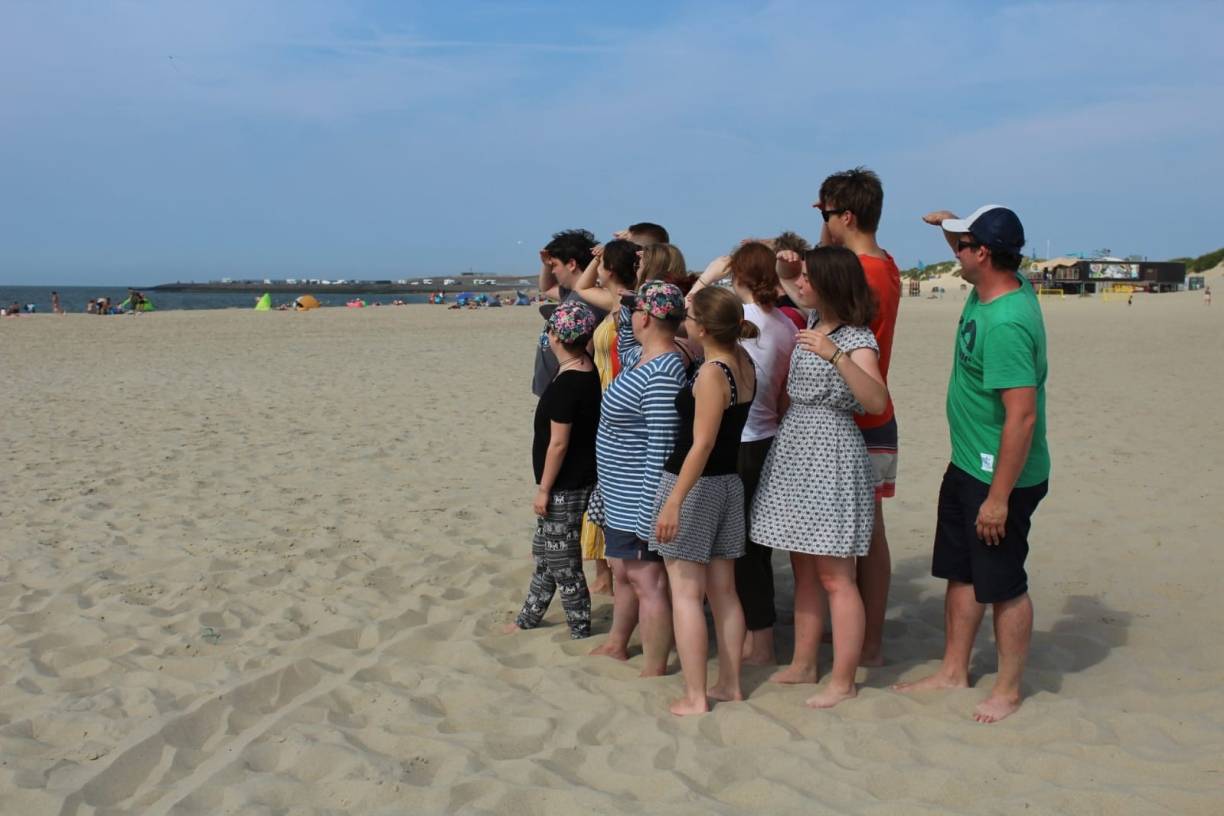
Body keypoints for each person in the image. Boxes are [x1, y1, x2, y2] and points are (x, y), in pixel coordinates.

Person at [895, 205, 1050, 725]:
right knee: (961, 574)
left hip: (999, 476)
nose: (955, 252)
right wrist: (950, 227)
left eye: (962, 245)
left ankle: (1007, 689)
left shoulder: (1006, 322)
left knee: (1003, 584)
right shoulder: (995, 282)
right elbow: (972, 253)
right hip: (967, 463)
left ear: (983, 253)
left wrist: (999, 499)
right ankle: (953, 671)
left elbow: (1022, 417)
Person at [752, 247, 889, 708]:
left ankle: (843, 681)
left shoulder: (856, 338)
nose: (801, 283)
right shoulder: (816, 321)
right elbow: (784, 281)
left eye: (809, 277)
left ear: (830, 283)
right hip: (797, 450)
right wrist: (784, 265)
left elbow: (876, 401)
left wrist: (837, 357)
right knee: (804, 568)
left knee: (836, 575)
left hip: (830, 453)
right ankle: (804, 664)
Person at [689, 241, 798, 665]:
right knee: (757, 547)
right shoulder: (786, 324)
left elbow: (685, 320)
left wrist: (705, 279)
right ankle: (759, 636)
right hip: (768, 436)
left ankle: (759, 640)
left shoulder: (742, 318)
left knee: (738, 550)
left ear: (739, 275)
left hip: (741, 440)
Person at [649, 286, 757, 715]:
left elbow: (702, 443)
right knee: (724, 591)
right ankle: (729, 684)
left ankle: (696, 695)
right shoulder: (743, 360)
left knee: (687, 593)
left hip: (698, 485)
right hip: (727, 482)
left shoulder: (714, 371)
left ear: (705, 329)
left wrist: (674, 500)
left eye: (690, 318)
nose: (684, 322)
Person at [811, 166, 902, 667]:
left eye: (827, 213)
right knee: (865, 532)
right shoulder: (884, 262)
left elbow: (819, 281)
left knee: (867, 534)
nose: (823, 222)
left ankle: (869, 640)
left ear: (846, 216)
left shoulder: (862, 273)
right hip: (869, 415)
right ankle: (864, 633)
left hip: (859, 418)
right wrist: (827, 219)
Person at [589, 281, 688, 677]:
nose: (630, 316)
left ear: (647, 318)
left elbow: (661, 449)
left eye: (636, 310)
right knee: (623, 573)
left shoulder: (663, 372)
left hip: (638, 500)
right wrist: (627, 303)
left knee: (648, 583)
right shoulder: (641, 358)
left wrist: (650, 514)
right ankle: (617, 644)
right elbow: (626, 340)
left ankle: (654, 666)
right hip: (619, 495)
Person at [506, 302, 602, 639]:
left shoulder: (569, 383)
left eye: (549, 328)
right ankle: (528, 617)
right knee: (547, 554)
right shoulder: (584, 367)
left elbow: (558, 444)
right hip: (575, 478)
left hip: (566, 484)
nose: (545, 334)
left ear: (556, 337)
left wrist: (544, 489)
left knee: (563, 562)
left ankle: (579, 627)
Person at [571, 239, 642, 595]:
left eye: (602, 264)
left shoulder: (632, 303)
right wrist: (597, 258)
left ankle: (615, 571)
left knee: (611, 488)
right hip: (603, 393)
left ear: (611, 270)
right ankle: (606, 569)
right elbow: (581, 288)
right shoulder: (613, 300)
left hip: (619, 397)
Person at [533, 229, 604, 397]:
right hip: (554, 387)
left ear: (571, 264)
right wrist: (546, 264)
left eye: (555, 265)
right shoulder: (571, 293)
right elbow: (546, 288)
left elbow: (585, 353)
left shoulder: (588, 301)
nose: (553, 271)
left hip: (564, 389)